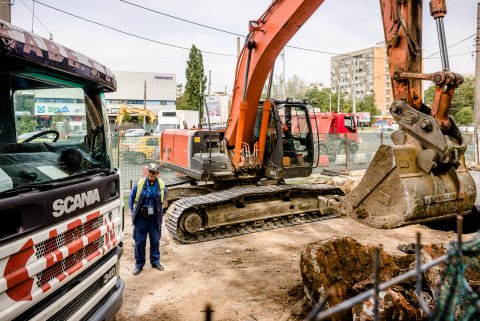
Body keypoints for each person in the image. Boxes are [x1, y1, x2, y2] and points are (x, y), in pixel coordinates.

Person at [128, 163, 167, 275]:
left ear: (157, 174)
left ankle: (155, 262)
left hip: (154, 219)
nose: (151, 174)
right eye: (150, 172)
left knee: (155, 241)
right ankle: (139, 264)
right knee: (140, 242)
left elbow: (162, 200)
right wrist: (134, 212)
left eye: (153, 172)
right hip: (141, 219)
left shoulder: (161, 185)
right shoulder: (140, 184)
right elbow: (131, 200)